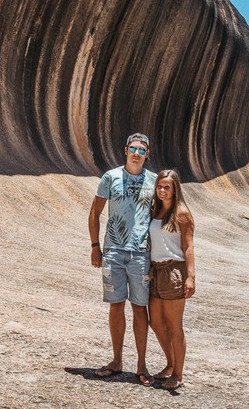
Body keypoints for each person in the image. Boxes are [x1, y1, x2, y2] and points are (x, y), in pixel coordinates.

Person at [88, 133, 156, 385]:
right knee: (115, 304)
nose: (137, 153)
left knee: (140, 307)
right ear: (125, 149)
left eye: (142, 150)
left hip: (141, 253)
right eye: (134, 148)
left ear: (147, 154)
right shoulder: (110, 177)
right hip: (114, 251)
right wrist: (95, 246)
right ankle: (117, 360)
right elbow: (95, 212)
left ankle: (141, 364)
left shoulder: (154, 181)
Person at [147, 169, 195, 390]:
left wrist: (191, 277)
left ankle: (177, 373)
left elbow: (188, 246)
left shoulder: (182, 212)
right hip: (156, 271)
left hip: (174, 271)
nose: (163, 190)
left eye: (167, 187)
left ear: (175, 189)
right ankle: (170, 363)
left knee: (174, 326)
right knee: (156, 322)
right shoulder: (155, 210)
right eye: (160, 186)